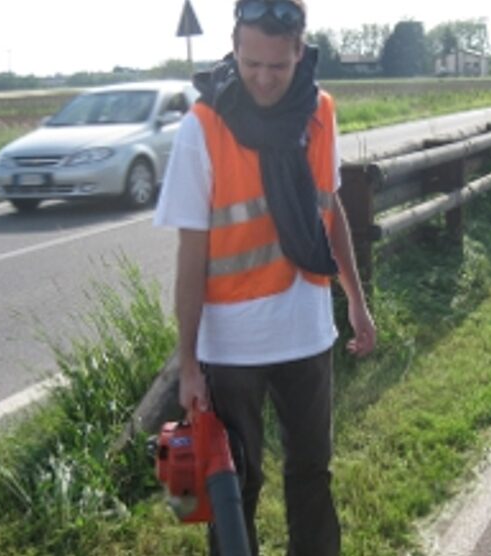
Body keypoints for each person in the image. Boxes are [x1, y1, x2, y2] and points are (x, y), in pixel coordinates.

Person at [153, 1, 376, 554]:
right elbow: (191, 253)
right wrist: (187, 364)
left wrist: (356, 299)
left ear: (301, 52)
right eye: (251, 63)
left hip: (305, 331)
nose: (263, 78)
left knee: (311, 473)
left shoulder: (320, 110)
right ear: (234, 45)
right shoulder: (202, 127)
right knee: (234, 487)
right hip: (231, 347)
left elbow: (331, 210)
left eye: (278, 66)